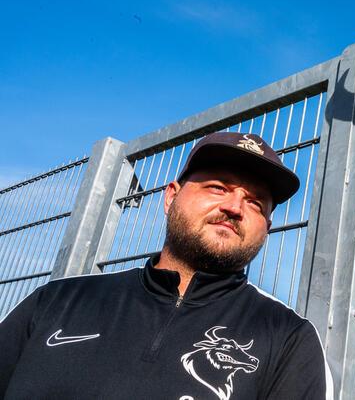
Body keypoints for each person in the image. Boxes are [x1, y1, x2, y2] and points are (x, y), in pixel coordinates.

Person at [0, 132, 332, 399]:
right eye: (218, 187)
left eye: (256, 203)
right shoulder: (57, 301)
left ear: (267, 228)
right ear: (170, 196)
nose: (234, 207)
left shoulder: (288, 337)